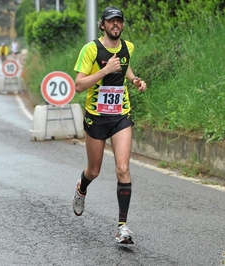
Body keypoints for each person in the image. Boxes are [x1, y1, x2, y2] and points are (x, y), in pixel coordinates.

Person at [72, 6, 147, 244]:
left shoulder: (128, 47)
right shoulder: (91, 49)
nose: (115, 24)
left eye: (119, 21)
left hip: (120, 115)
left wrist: (134, 79)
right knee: (94, 170)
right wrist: (105, 70)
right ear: (102, 24)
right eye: (110, 21)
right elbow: (79, 85)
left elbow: (124, 67)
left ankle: (122, 227)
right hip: (96, 116)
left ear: (122, 25)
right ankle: (82, 187)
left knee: (123, 168)